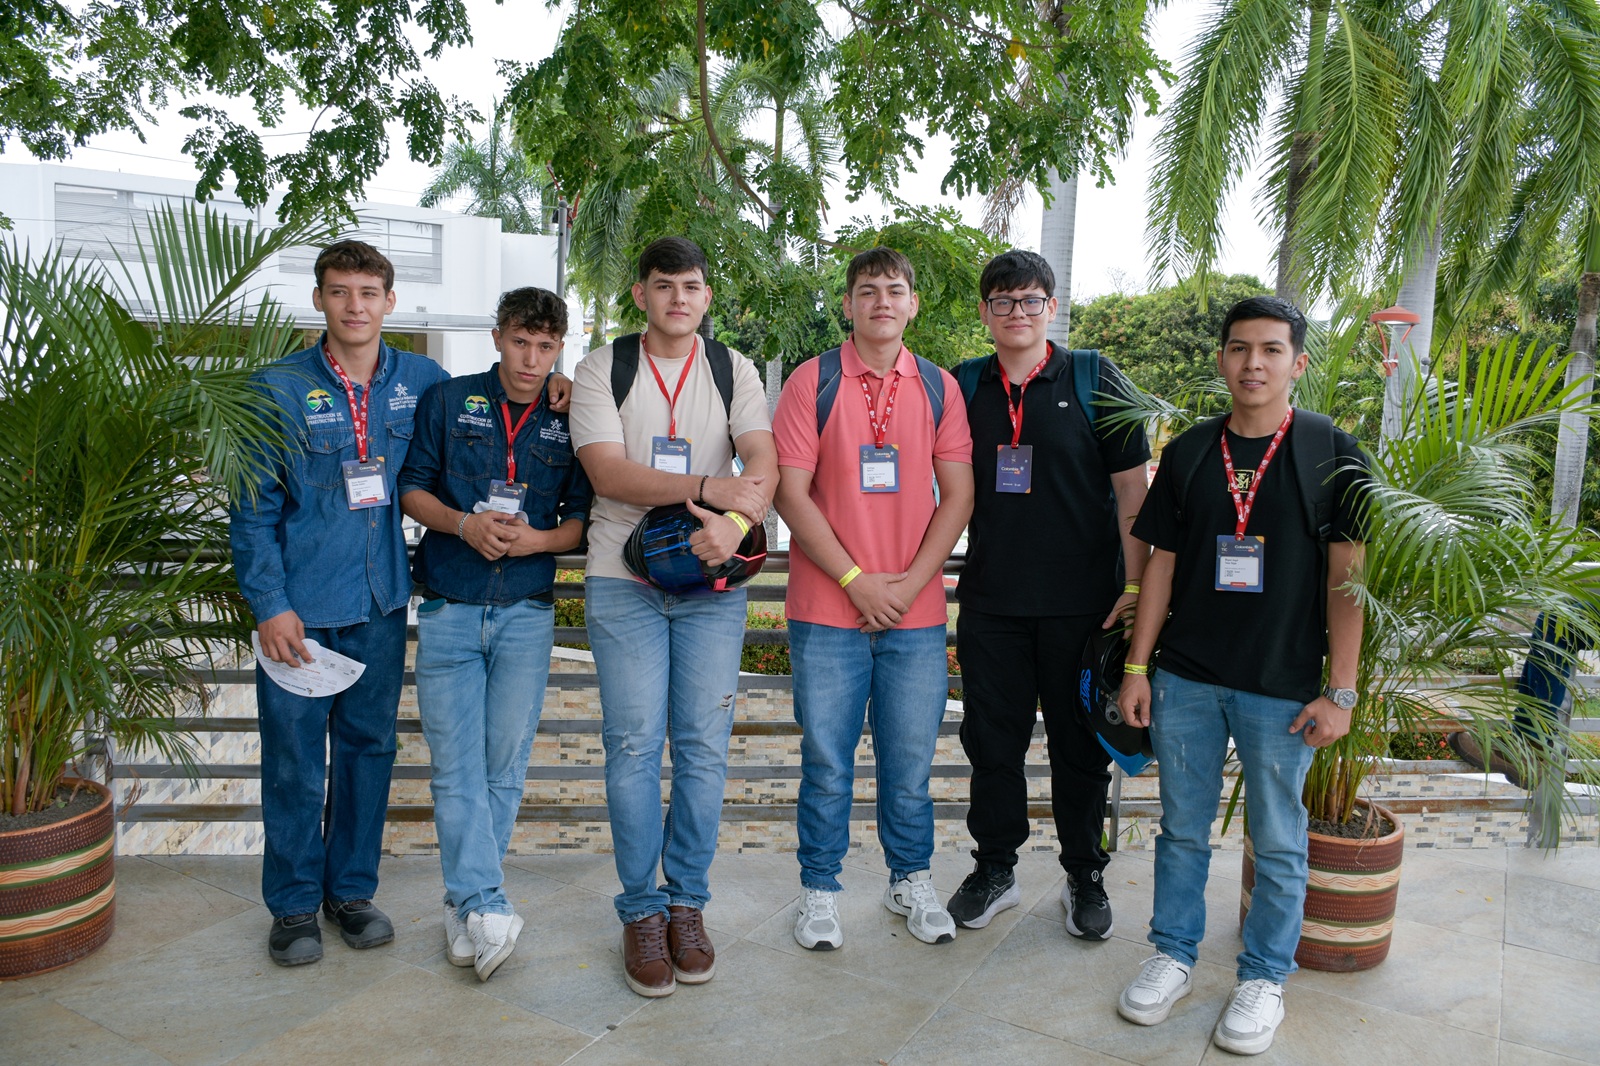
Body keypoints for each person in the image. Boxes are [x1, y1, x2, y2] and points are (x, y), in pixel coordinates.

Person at [1114, 296, 1369, 1056]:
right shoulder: (1192, 451)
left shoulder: (1332, 452)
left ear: (1298, 362)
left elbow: (1348, 581)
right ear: (1223, 358)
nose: (1253, 363)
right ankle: (1172, 955)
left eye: (1270, 349)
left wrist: (1342, 691)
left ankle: (1263, 978)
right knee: (1182, 829)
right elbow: (1160, 567)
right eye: (1238, 348)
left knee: (1281, 840)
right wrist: (1138, 667)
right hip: (1187, 678)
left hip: (1282, 686)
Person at [569, 236, 778, 998]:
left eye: (691, 286)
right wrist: (711, 489)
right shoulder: (603, 368)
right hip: (621, 578)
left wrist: (736, 522)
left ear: (706, 296)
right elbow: (608, 472)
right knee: (631, 746)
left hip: (710, 582)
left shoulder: (732, 368)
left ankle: (686, 904)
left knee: (702, 747)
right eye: (663, 285)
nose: (678, 298)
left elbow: (763, 461)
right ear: (640, 294)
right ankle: (640, 910)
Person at [231, 240, 449, 966]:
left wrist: (556, 388)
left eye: (368, 293)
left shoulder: (423, 381)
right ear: (320, 299)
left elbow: (483, 415)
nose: (355, 306)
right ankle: (294, 906)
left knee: (368, 752)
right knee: (295, 762)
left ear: (390, 301)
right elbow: (252, 509)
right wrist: (270, 604)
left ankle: (350, 893)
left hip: (381, 606)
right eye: (340, 292)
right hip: (299, 612)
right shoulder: (278, 388)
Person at [773, 246, 975, 950]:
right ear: (849, 304)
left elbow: (959, 496)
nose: (881, 301)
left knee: (909, 764)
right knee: (827, 763)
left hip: (915, 615)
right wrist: (856, 581)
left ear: (913, 304)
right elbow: (790, 494)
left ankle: (909, 879)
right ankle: (820, 889)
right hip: (827, 609)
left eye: (894, 290)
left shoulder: (939, 387)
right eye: (867, 290)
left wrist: (910, 585)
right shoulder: (812, 380)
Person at [946, 249, 1151, 939]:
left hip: (1084, 608)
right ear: (985, 312)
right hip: (992, 604)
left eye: (1030, 300)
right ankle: (994, 869)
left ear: (1051, 307)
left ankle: (1084, 873)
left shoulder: (1095, 377)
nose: (1017, 312)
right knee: (992, 745)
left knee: (1080, 750)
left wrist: (1134, 587)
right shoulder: (963, 385)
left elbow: (1133, 495)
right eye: (1002, 301)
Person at [397, 287, 591, 981]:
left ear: (559, 348)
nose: (531, 359)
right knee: (456, 768)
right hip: (449, 605)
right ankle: (485, 902)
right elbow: (411, 487)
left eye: (545, 347)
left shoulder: (570, 418)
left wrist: (537, 540)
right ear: (498, 337)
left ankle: (466, 904)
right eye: (520, 342)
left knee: (504, 768)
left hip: (526, 612)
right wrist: (463, 524)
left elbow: (580, 521)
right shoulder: (448, 401)